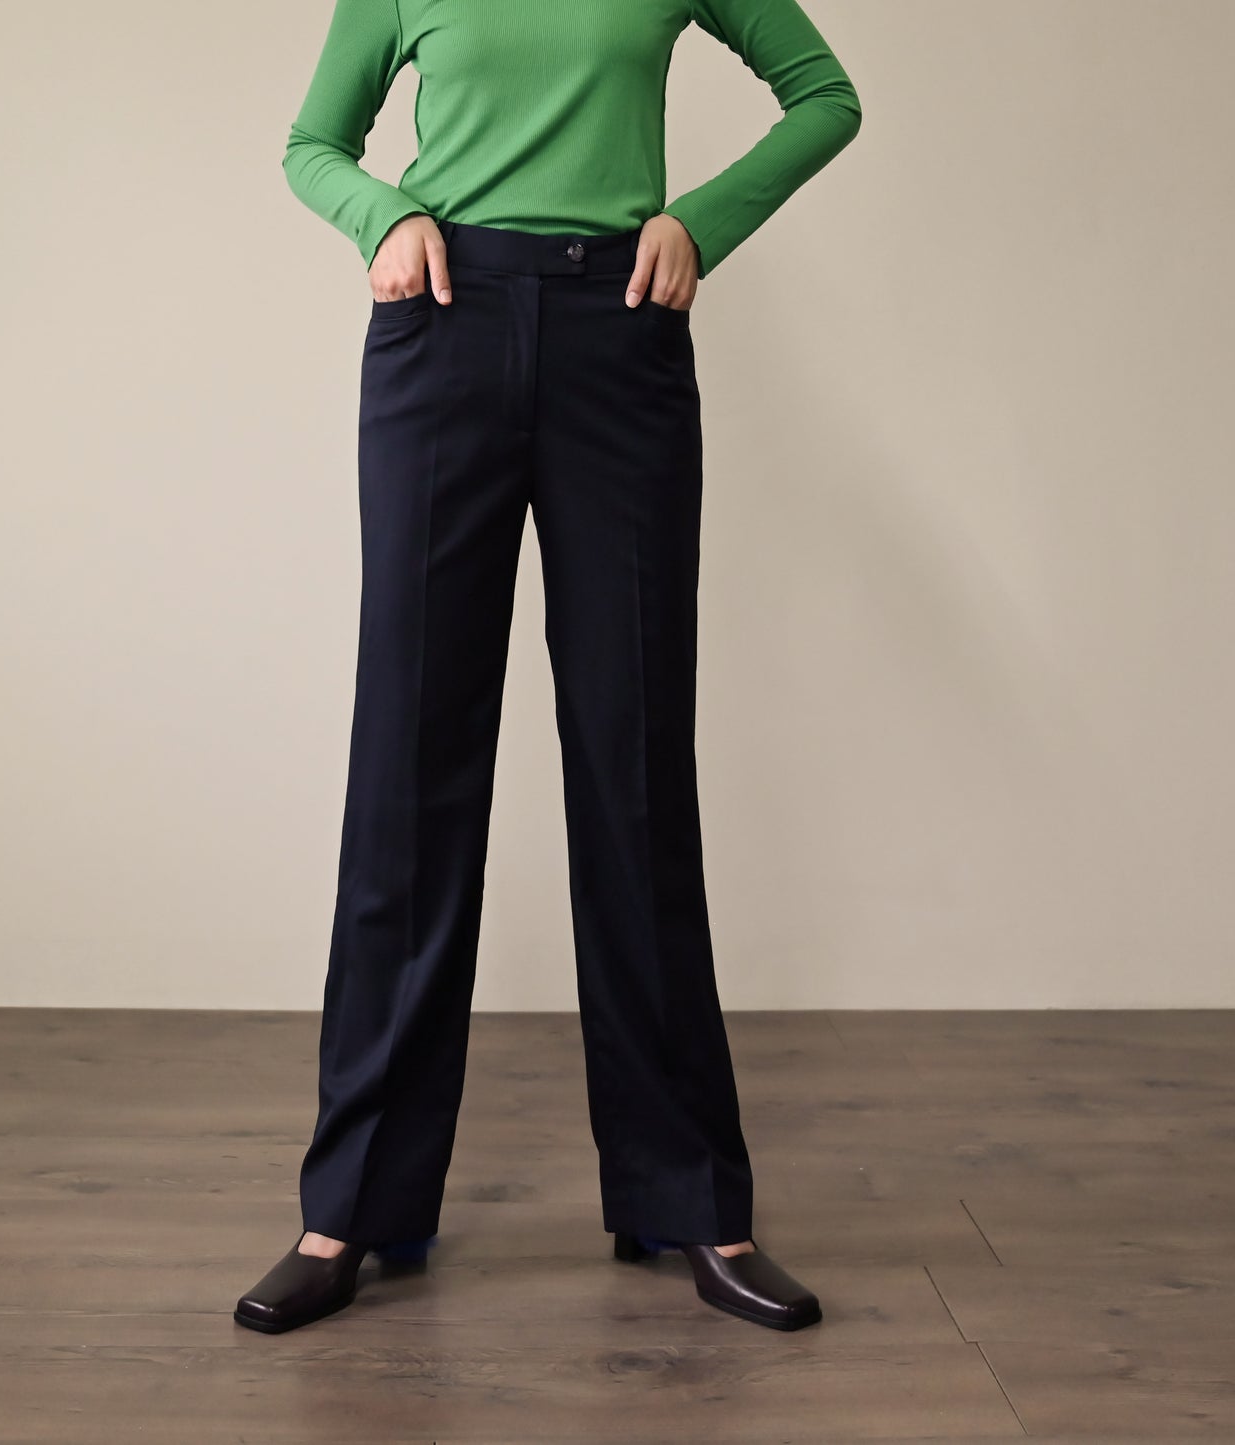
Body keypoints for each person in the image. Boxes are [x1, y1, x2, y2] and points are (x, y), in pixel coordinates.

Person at [235, 0, 862, 1335]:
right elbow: (310, 145)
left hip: (619, 341)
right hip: (440, 330)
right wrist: (381, 217)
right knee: (406, 773)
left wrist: (700, 223)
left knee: (635, 770)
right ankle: (352, 1205)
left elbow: (825, 97)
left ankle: (692, 1199)